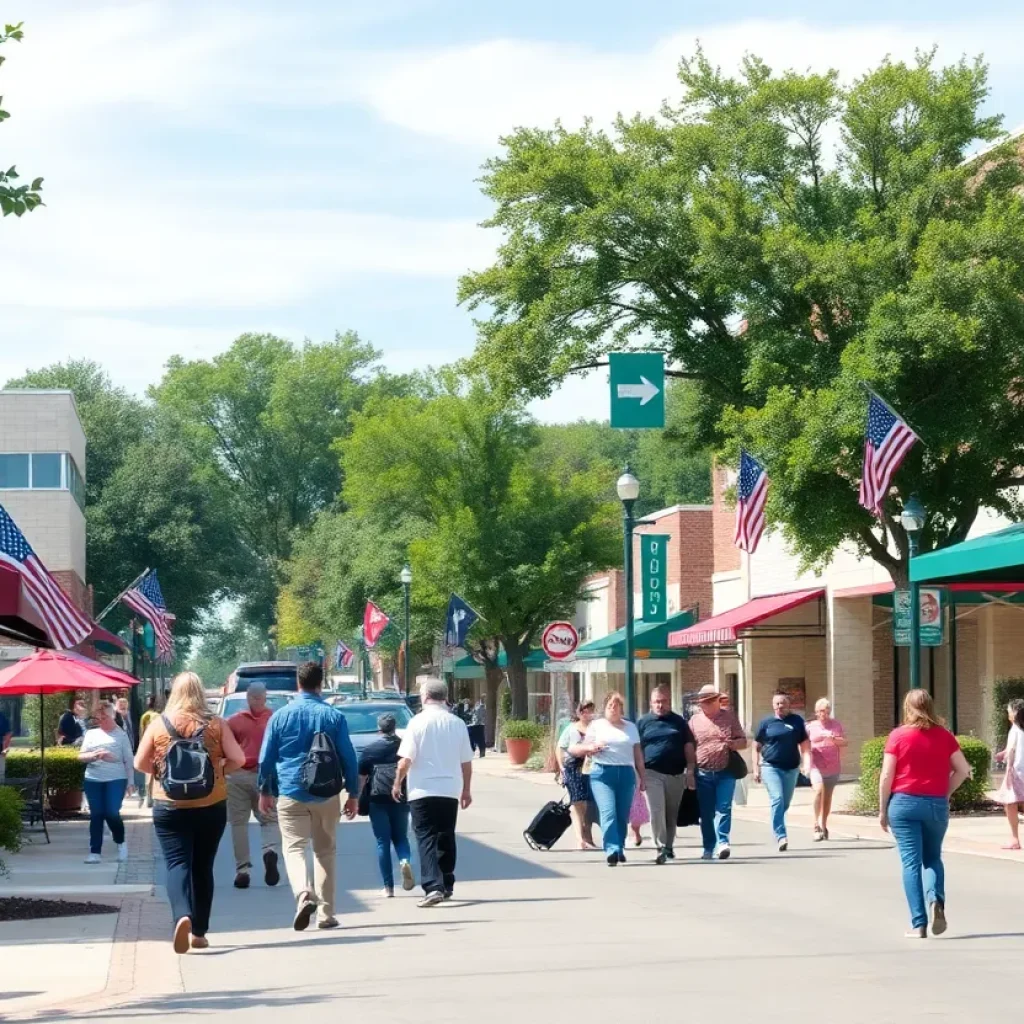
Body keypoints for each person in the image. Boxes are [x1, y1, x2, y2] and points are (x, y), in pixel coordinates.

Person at [135, 671, 246, 953]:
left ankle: (181, 915)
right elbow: (239, 759)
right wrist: (220, 769)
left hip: (169, 805)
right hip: (211, 803)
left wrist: (161, 773)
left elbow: (140, 763)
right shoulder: (216, 724)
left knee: (176, 864)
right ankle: (199, 932)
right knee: (202, 866)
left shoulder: (159, 724)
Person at [257, 661, 359, 931]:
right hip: (326, 794)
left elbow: (265, 759)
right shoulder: (334, 717)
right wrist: (353, 793)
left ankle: (303, 893)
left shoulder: (280, 716)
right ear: (321, 683)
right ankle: (326, 914)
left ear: (297, 684)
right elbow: (349, 757)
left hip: (290, 790)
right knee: (325, 851)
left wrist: (264, 790)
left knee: (293, 848)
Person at [879, 689, 971, 939]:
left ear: (907, 707)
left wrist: (882, 809)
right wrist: (945, 793)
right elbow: (964, 770)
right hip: (935, 805)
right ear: (930, 706)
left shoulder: (898, 736)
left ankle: (918, 924)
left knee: (910, 863)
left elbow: (887, 775)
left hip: (904, 804)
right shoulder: (945, 736)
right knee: (932, 858)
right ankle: (936, 900)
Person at [393, 679, 473, 907]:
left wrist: (397, 782)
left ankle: (433, 885)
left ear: (425, 696)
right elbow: (466, 761)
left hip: (422, 789)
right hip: (449, 788)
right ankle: (447, 881)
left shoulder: (417, 722)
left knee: (426, 836)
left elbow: (406, 760)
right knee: (446, 834)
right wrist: (466, 789)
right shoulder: (457, 723)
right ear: (444, 696)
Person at [224, 682, 280, 890]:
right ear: (265, 697)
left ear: (248, 698)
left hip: (237, 775)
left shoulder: (234, 721)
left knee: (239, 824)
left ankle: (243, 870)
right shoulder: (274, 719)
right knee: (269, 819)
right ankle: (269, 850)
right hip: (264, 776)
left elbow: (225, 749)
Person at [580, 692, 646, 867]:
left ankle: (620, 847)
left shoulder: (631, 727)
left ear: (621, 708)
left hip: (626, 773)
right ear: (605, 708)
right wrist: (592, 747)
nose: (613, 709)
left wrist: (642, 776)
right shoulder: (597, 725)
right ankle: (611, 849)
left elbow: (638, 754)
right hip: (602, 773)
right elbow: (584, 747)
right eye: (610, 705)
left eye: (617, 706)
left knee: (622, 815)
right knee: (608, 812)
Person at [637, 685, 696, 864]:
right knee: (656, 811)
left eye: (663, 701)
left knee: (671, 814)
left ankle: (669, 847)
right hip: (651, 772)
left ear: (669, 702)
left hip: (676, 774)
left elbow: (689, 747)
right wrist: (638, 773)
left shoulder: (679, 723)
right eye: (656, 702)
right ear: (651, 703)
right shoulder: (643, 722)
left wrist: (691, 770)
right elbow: (636, 748)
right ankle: (660, 846)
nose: (660, 705)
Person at [359, 713, 415, 897]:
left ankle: (388, 887)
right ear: (395, 727)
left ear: (379, 728)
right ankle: (405, 860)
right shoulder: (404, 747)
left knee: (382, 841)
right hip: (401, 797)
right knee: (401, 837)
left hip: (378, 798)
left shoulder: (370, 749)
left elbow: (362, 777)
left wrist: (357, 797)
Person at [690, 685, 747, 861]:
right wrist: (689, 771)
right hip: (703, 772)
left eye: (708, 702)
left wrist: (733, 744)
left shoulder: (729, 717)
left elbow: (743, 741)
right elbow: (689, 747)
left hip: (725, 770)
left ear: (716, 701)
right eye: (702, 703)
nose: (704, 706)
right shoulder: (693, 721)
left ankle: (723, 842)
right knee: (706, 812)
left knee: (724, 808)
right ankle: (708, 846)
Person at [78, 701, 135, 864]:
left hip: (116, 778)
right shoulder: (91, 734)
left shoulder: (121, 735)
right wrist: (94, 755)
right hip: (93, 778)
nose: (101, 721)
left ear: (112, 716)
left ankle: (120, 841)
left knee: (111, 812)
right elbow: (81, 756)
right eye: (98, 718)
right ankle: (95, 851)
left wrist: (131, 782)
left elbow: (128, 760)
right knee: (96, 814)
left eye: (104, 717)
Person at [753, 692, 811, 852]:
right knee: (777, 799)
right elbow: (756, 745)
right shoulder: (766, 723)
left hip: (791, 768)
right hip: (770, 767)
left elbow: (805, 744)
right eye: (777, 703)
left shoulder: (796, 721)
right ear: (773, 705)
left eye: (783, 703)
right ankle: (781, 835)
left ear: (789, 705)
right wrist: (756, 768)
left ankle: (776, 820)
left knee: (784, 803)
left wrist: (807, 763)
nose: (780, 706)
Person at [556, 701, 598, 850]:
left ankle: (587, 833)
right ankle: (580, 838)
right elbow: (560, 748)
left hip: (591, 767)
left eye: (590, 711)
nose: (587, 714)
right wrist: (562, 768)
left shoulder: (597, 729)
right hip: (572, 767)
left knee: (587, 802)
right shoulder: (571, 729)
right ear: (579, 713)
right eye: (584, 711)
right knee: (576, 801)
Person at [806, 698, 848, 841]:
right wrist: (804, 762)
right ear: (817, 712)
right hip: (816, 764)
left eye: (827, 710)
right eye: (822, 711)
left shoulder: (835, 725)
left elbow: (844, 742)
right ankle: (815, 824)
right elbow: (804, 745)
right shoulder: (810, 726)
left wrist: (834, 739)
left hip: (832, 765)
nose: (825, 713)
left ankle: (824, 825)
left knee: (827, 797)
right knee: (818, 791)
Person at [993, 699, 1024, 849]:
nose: (1008, 715)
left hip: (1017, 772)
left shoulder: (1015, 729)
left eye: (1010, 712)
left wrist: (1008, 771)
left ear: (1016, 713)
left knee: (1010, 803)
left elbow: (1012, 750)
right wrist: (1004, 753)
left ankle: (1014, 838)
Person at [138, 695, 160, 809]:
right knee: (154, 772)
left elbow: (141, 732)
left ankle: (148, 796)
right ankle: (151, 796)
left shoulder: (144, 716)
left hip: (146, 745)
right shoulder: (157, 716)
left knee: (148, 773)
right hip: (155, 747)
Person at [0, 705, 11, 784]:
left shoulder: (2, 717)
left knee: (1, 774)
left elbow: (8, 734)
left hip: (0, 750)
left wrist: (4, 750)